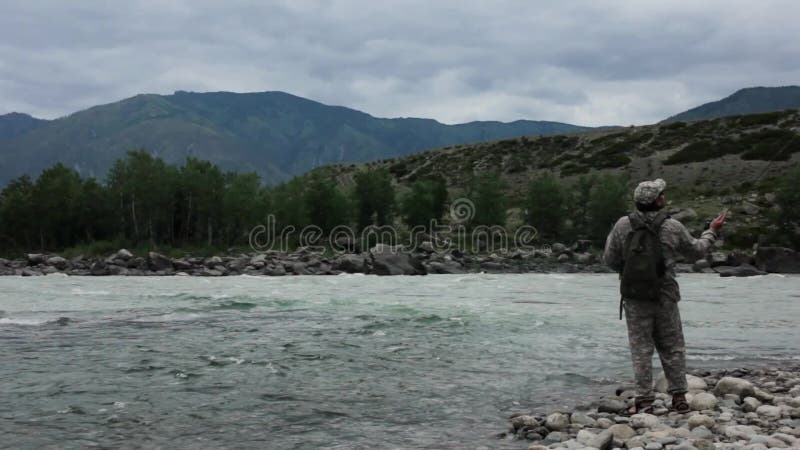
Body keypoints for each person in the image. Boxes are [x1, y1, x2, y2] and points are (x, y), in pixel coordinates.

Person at [603, 178, 727, 414]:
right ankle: (679, 397)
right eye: (662, 194)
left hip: (634, 298)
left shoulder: (622, 225)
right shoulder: (673, 226)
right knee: (673, 347)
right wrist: (712, 231)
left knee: (640, 349)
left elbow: (609, 259)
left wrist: (628, 271)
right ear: (658, 200)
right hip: (665, 295)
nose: (664, 196)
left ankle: (644, 400)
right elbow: (696, 251)